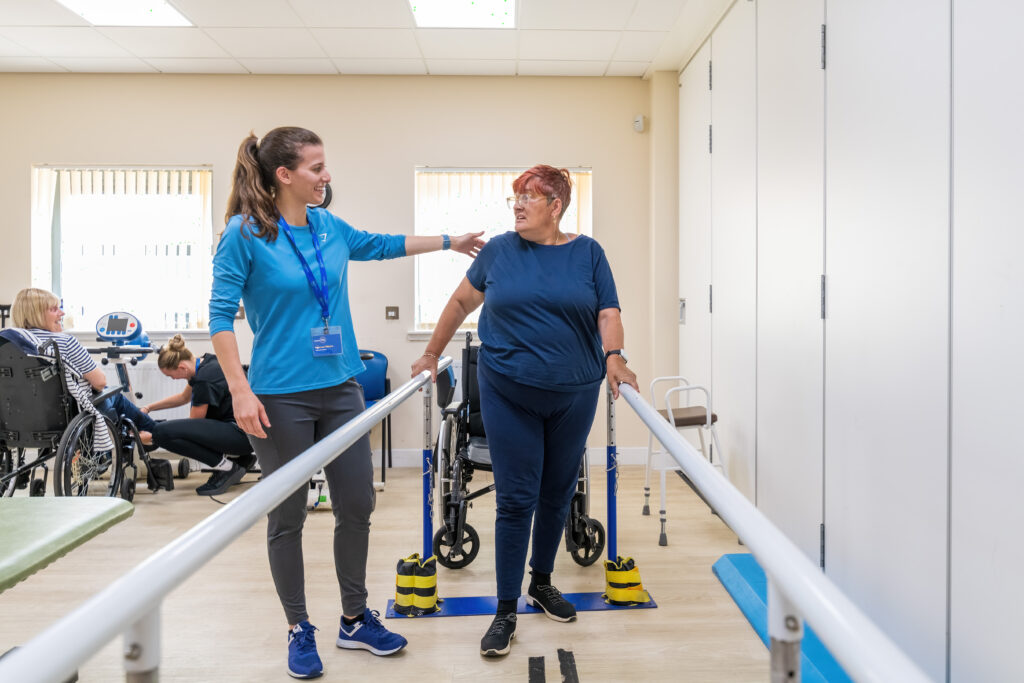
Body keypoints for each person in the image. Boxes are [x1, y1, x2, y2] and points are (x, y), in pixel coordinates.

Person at [209, 126, 484, 679]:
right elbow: (219, 317)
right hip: (279, 395)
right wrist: (239, 388)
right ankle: (297, 626)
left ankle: (355, 618)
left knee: (356, 504)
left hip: (342, 387)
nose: (326, 175)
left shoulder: (327, 226)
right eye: (315, 167)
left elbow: (382, 245)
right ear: (283, 175)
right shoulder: (244, 234)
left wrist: (449, 242)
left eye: (324, 165)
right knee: (287, 515)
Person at [411, 165, 639, 658]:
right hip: (509, 391)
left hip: (575, 394)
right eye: (515, 198)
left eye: (529, 198)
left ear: (556, 207)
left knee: (558, 493)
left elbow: (608, 311)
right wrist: (431, 353)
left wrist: (615, 356)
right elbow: (459, 302)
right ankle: (506, 608)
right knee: (516, 499)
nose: (517, 206)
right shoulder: (498, 252)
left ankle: (541, 581)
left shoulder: (589, 253)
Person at [9, 288, 158, 443]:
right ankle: (155, 433)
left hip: (24, 417)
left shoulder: (9, 346)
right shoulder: (65, 342)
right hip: (67, 415)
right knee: (114, 394)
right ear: (37, 314)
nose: (62, 313)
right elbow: (100, 383)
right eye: (54, 309)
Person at [138, 335, 256, 496]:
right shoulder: (207, 363)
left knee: (162, 433)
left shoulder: (203, 381)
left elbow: (194, 426)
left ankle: (227, 468)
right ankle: (241, 459)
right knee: (165, 430)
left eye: (170, 375)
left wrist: (152, 437)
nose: (172, 379)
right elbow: (183, 398)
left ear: (182, 368)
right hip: (249, 433)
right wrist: (149, 407)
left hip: (241, 436)